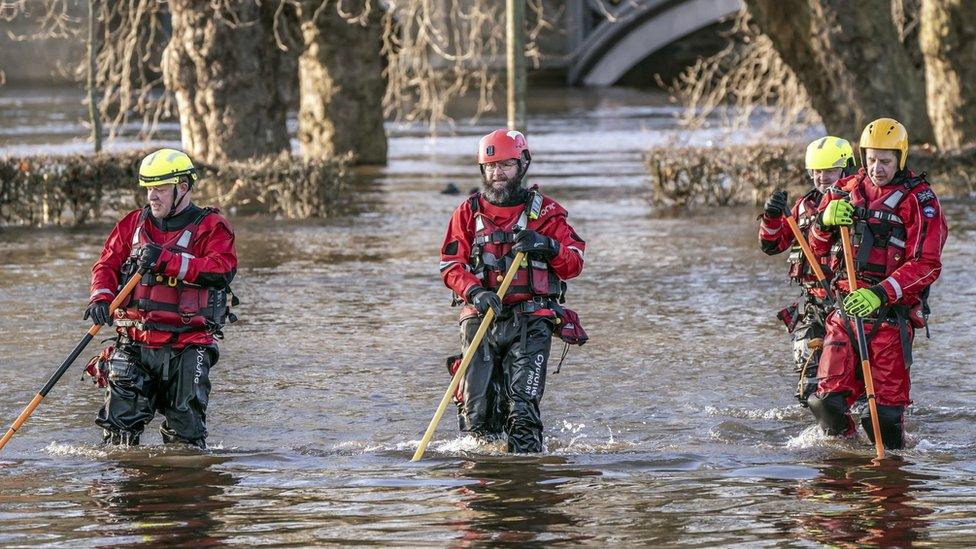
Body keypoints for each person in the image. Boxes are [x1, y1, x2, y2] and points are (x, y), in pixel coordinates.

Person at [439, 129, 586, 453]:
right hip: (482, 318)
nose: (498, 173)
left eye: (505, 164)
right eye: (490, 166)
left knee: (522, 409)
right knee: (478, 415)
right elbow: (450, 266)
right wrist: (476, 292)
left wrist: (548, 246)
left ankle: (525, 480)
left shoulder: (547, 213)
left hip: (532, 320)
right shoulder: (466, 213)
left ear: (523, 164)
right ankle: (484, 483)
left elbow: (574, 263)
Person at [806, 118, 948, 449]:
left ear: (900, 157)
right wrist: (824, 222)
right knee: (826, 403)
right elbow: (815, 250)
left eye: (884, 161)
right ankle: (846, 463)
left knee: (882, 419)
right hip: (844, 312)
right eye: (870, 159)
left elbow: (927, 265)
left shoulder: (920, 200)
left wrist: (880, 293)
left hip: (889, 319)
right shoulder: (844, 191)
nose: (876, 168)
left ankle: (891, 476)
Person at [85, 148, 238, 448]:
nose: (152, 196)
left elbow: (222, 269)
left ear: (183, 188)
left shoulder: (211, 227)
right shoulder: (131, 224)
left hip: (188, 345)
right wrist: (100, 297)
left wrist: (166, 260)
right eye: (149, 189)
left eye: (160, 189)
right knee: (117, 438)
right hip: (134, 344)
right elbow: (106, 265)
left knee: (186, 439)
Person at [759, 137, 855, 406]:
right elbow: (772, 244)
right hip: (813, 307)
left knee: (848, 385)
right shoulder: (804, 206)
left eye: (828, 171)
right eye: (815, 171)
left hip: (847, 306)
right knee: (808, 391)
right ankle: (819, 442)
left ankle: (852, 436)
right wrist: (771, 216)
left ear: (846, 169)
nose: (820, 178)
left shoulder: (858, 202)